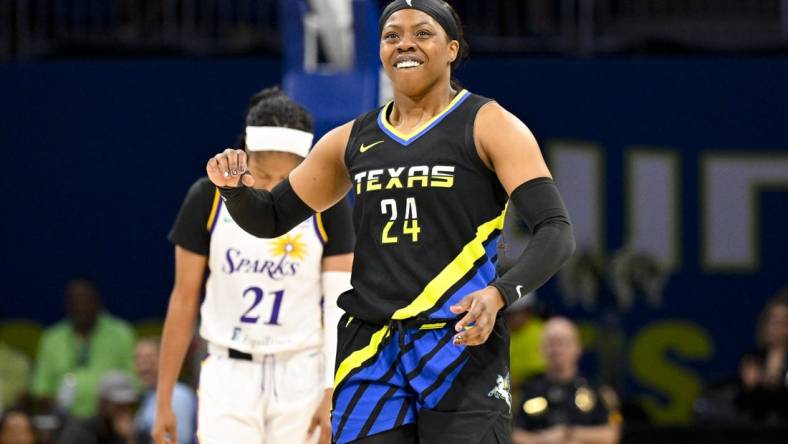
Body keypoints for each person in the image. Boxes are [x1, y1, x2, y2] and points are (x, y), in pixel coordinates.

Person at [206, 0, 575, 442]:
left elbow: (555, 230)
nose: (405, 44)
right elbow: (269, 218)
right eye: (392, 35)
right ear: (380, 51)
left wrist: (498, 294)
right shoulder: (349, 139)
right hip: (371, 349)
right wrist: (233, 188)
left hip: (457, 343)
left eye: (422, 33)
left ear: (452, 49)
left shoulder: (488, 124)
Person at [155, 88, 354, 444]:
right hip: (228, 371)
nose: (272, 189)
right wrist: (164, 398)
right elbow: (183, 300)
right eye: (262, 174)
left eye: (285, 178)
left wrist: (332, 390)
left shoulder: (328, 204)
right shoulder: (207, 198)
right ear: (244, 156)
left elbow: (340, 304)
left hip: (302, 371)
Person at [31, 278, 135, 419]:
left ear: (98, 303)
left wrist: (113, 410)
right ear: (67, 305)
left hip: (110, 420)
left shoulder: (122, 334)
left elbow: (135, 385)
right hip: (64, 421)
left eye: (86, 301)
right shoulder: (51, 338)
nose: (81, 307)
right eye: (75, 302)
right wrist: (61, 411)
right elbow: (40, 390)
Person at [512, 318, 621, 444]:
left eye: (564, 343)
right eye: (552, 343)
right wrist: (544, 440)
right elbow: (512, 433)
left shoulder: (597, 388)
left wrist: (569, 433)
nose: (558, 350)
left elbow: (612, 434)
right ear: (541, 349)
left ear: (578, 347)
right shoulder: (529, 388)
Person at [736, 289, 788, 423]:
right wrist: (750, 385)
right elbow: (741, 403)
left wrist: (778, 384)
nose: (776, 327)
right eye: (772, 321)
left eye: (783, 322)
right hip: (758, 429)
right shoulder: (753, 358)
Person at [133, 339, 195, 444]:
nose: (144, 364)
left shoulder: (176, 394)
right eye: (138, 359)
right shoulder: (147, 395)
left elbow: (177, 440)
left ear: (165, 360)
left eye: (150, 358)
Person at [56, 372, 140, 444]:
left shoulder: (133, 435)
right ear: (102, 403)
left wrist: (129, 439)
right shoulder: (78, 433)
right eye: (119, 405)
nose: (125, 411)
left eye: (128, 405)